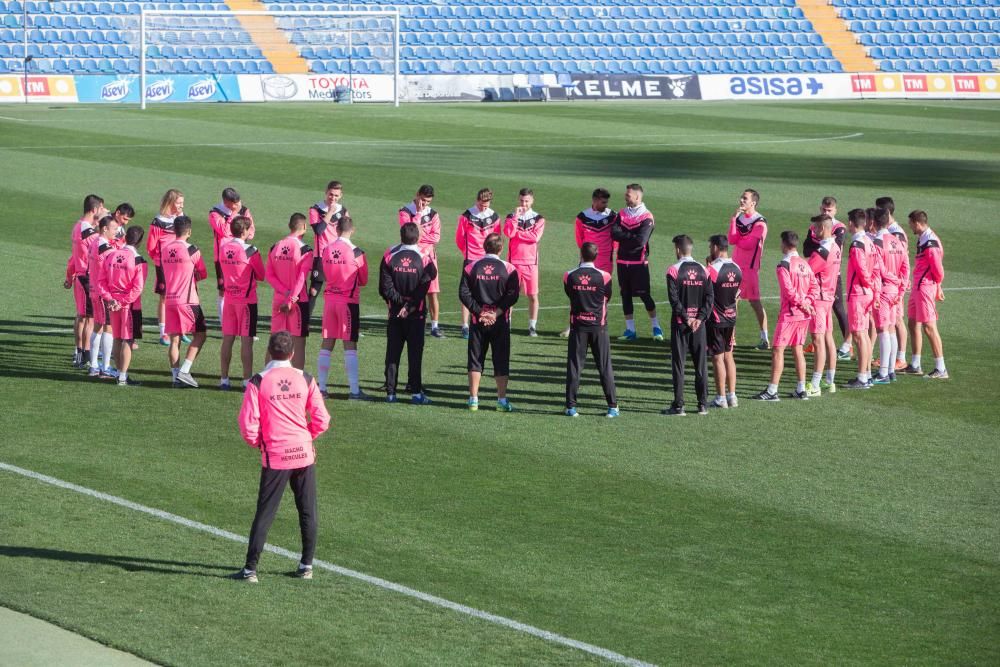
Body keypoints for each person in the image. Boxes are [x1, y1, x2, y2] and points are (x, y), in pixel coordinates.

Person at [233, 331, 330, 583]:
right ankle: (306, 565)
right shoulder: (305, 379)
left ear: (268, 351)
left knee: (265, 512)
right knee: (308, 511)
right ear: (293, 353)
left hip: (276, 455)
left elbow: (247, 424)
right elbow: (322, 419)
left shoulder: (258, 381)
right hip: (303, 455)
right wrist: (307, 437)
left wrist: (259, 444)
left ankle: (250, 570)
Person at [753, 231, 817, 401]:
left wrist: (802, 303)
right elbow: (814, 288)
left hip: (790, 314)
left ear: (785, 244)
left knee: (777, 350)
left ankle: (772, 390)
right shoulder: (805, 264)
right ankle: (801, 389)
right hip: (804, 315)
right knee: (797, 349)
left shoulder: (783, 265)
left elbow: (788, 291)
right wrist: (807, 303)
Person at [459, 233, 520, 412]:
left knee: (475, 359)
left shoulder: (471, 267)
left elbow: (463, 293)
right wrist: (496, 312)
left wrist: (480, 312)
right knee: (501, 360)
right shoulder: (509, 269)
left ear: (484, 247)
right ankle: (501, 401)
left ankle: (473, 400)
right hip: (500, 322)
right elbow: (513, 295)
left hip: (478, 322)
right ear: (501, 249)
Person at [379, 222, 437, 404]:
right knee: (415, 355)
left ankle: (391, 393)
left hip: (395, 314)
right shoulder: (425, 257)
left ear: (401, 236)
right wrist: (409, 305)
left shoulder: (389, 255)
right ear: (418, 237)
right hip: (416, 315)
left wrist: (400, 304)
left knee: (392, 354)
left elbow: (384, 289)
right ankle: (416, 393)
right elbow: (423, 287)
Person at [317, 216, 370, 400]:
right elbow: (363, 280)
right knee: (350, 345)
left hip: (330, 300)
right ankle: (354, 391)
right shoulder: (357, 253)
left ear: (337, 230)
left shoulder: (326, 249)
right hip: (348, 302)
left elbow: (323, 273)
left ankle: (321, 387)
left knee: (327, 343)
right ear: (352, 230)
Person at [563, 242, 618, 418]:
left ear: (581, 254)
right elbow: (607, 297)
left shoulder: (569, 275)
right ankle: (612, 406)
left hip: (578, 327)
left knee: (574, 367)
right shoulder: (605, 276)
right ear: (596, 256)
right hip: (598, 328)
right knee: (604, 367)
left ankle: (571, 407)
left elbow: (570, 294)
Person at [663, 235, 714, 416]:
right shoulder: (704, 270)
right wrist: (698, 319)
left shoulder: (673, 270)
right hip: (699, 327)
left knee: (679, 365)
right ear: (690, 248)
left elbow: (674, 300)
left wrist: (686, 318)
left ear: (678, 249)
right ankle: (702, 405)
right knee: (701, 365)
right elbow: (710, 299)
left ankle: (679, 406)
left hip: (680, 325)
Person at [218, 216, 265, 390]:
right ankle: (246, 381)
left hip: (229, 299)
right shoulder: (250, 251)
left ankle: (224, 379)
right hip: (246, 302)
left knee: (227, 339)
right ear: (244, 231)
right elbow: (261, 274)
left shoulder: (223, 248)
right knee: (247, 341)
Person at [161, 216, 208, 388]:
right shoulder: (192, 250)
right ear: (189, 231)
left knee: (174, 341)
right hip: (188, 300)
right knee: (201, 335)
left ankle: (175, 378)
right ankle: (185, 370)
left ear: (174, 230)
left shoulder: (165, 249)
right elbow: (202, 273)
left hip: (169, 300)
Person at [612, 183, 662, 341]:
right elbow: (614, 233)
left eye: (628, 195)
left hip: (638, 263)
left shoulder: (647, 216)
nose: (625, 197)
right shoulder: (621, 213)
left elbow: (641, 241)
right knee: (625, 295)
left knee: (644, 295)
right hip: (622, 261)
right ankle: (630, 330)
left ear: (637, 197)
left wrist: (624, 235)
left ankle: (656, 327)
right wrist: (630, 237)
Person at [563, 188, 616, 338]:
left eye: (606, 202)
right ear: (594, 201)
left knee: (603, 295)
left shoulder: (612, 216)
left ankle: (601, 321)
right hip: (587, 260)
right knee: (578, 293)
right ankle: (572, 324)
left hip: (605, 261)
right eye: (603, 202)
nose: (605, 205)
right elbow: (580, 239)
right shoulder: (582, 217)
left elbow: (616, 238)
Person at [802, 196, 850, 359]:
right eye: (823, 209)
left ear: (835, 210)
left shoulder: (839, 227)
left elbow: (832, 246)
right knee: (827, 324)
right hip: (821, 276)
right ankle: (819, 347)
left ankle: (847, 344)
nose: (826, 212)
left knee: (838, 308)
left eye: (829, 210)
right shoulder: (815, 226)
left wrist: (817, 249)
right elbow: (806, 248)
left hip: (830, 277)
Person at [100, 225, 147, 386]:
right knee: (127, 339)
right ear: (140, 241)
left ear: (125, 237)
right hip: (129, 307)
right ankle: (122, 377)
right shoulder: (139, 260)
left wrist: (110, 299)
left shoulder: (111, 255)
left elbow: (101, 281)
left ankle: (119, 373)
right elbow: (137, 288)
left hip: (113, 304)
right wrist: (121, 302)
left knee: (117, 338)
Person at [266, 213, 314, 370]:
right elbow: (301, 278)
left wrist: (284, 292)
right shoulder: (305, 250)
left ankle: (267, 377)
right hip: (297, 303)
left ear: (289, 226)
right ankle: (298, 380)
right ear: (304, 227)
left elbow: (269, 275)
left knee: (274, 341)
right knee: (298, 342)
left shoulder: (275, 246)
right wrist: (291, 298)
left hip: (279, 299)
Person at [904, 210, 947, 379]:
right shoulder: (923, 239)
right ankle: (915, 364)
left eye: (910, 224)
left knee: (929, 327)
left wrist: (937, 285)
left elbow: (938, 269)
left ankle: (941, 368)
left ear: (917, 223)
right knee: (913, 323)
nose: (910, 227)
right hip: (918, 287)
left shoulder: (930, 243)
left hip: (925, 288)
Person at [64, 194, 106, 368]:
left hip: (80, 276)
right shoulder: (89, 233)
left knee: (82, 317)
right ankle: (85, 355)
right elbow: (104, 249)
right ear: (95, 209)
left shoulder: (78, 226)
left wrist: (69, 276)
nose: (104, 211)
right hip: (87, 277)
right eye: (102, 208)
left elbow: (73, 257)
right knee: (89, 318)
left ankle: (80, 353)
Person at [455, 188, 501, 339]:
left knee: (487, 291)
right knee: (467, 292)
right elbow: (460, 239)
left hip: (487, 259)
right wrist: (469, 254)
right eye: (481, 205)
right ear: (477, 200)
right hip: (471, 259)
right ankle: (465, 325)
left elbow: (496, 238)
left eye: (486, 206)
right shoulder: (466, 216)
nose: (483, 208)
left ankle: (486, 319)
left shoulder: (494, 217)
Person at [804, 215, 841, 396]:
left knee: (818, 341)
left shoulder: (822, 250)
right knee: (828, 338)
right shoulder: (835, 246)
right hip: (828, 297)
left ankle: (816, 384)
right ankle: (829, 381)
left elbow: (807, 271)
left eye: (815, 228)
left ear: (823, 228)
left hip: (818, 299)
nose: (813, 231)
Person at [399, 184, 443, 337]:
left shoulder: (433, 215)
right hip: (412, 256)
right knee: (410, 291)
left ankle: (435, 326)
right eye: (423, 200)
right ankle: (410, 321)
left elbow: (436, 237)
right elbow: (409, 232)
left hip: (429, 257)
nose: (424, 204)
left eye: (428, 202)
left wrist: (419, 233)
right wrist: (417, 214)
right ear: (417, 195)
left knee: (432, 292)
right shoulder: (405, 211)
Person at [727, 188, 769, 350]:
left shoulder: (760, 222)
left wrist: (740, 238)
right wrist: (733, 220)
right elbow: (732, 239)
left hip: (750, 269)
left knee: (755, 302)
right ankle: (731, 337)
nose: (741, 201)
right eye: (741, 198)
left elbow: (748, 245)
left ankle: (764, 338)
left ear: (753, 202)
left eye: (745, 199)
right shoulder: (739, 219)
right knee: (732, 302)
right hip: (735, 266)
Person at [871, 208, 908, 384]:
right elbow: (906, 267)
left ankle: (883, 373)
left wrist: (890, 281)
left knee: (882, 330)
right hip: (895, 291)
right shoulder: (897, 241)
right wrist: (900, 289)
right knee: (891, 328)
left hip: (883, 290)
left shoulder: (876, 243)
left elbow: (878, 269)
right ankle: (891, 370)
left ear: (874, 223)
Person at [706, 235, 742, 409]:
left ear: (715, 247)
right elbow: (737, 298)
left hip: (716, 319)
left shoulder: (712, 269)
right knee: (729, 356)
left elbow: (705, 292)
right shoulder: (737, 268)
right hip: (731, 317)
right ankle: (732, 396)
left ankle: (721, 398)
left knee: (717, 358)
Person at [504, 188, 545, 337]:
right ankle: (506, 323)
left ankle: (532, 326)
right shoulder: (511, 216)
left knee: (533, 295)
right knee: (510, 295)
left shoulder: (539, 218)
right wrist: (515, 217)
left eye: (527, 201)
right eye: (521, 200)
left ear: (532, 201)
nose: (524, 203)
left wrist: (518, 234)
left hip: (530, 263)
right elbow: (509, 233)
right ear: (518, 199)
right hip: (513, 262)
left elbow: (535, 237)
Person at [209, 187, 255, 318]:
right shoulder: (215, 213)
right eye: (235, 203)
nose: (238, 205)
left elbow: (251, 231)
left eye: (238, 201)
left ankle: (242, 325)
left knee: (242, 289)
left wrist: (243, 233)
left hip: (242, 257)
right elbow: (223, 231)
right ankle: (224, 325)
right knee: (223, 291)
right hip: (223, 258)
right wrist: (235, 214)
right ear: (226, 202)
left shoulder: (244, 210)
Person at [844, 209, 876, 389]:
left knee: (859, 335)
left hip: (858, 293)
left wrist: (867, 284)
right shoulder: (869, 242)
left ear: (851, 223)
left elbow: (862, 269)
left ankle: (863, 377)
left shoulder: (857, 244)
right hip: (865, 292)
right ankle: (866, 375)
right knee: (862, 334)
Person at [147, 189, 185, 346]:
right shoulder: (159, 221)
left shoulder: (180, 217)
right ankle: (163, 333)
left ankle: (180, 330)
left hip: (179, 263)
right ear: (170, 202)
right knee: (164, 297)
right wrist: (160, 259)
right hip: (163, 264)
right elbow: (151, 246)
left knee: (180, 295)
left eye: (183, 202)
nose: (182, 206)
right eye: (179, 203)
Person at [877, 196, 910, 370]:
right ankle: (890, 360)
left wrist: (900, 283)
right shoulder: (892, 232)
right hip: (895, 284)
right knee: (891, 322)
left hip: (892, 285)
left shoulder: (895, 234)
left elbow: (902, 259)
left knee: (896, 320)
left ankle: (900, 358)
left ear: (886, 212)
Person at [86, 215, 121, 378]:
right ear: (105, 229)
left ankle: (94, 366)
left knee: (98, 327)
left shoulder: (94, 243)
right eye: (114, 228)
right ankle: (105, 367)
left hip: (93, 289)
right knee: (108, 327)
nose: (117, 231)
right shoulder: (105, 248)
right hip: (103, 293)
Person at [308, 180, 349, 315]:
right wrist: (330, 213)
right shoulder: (315, 209)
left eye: (336, 196)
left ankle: (343, 321)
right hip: (321, 256)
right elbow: (318, 231)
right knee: (313, 291)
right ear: (326, 192)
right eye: (331, 194)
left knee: (341, 290)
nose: (333, 198)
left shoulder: (343, 211)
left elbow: (346, 232)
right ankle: (304, 325)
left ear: (341, 195)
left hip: (338, 256)